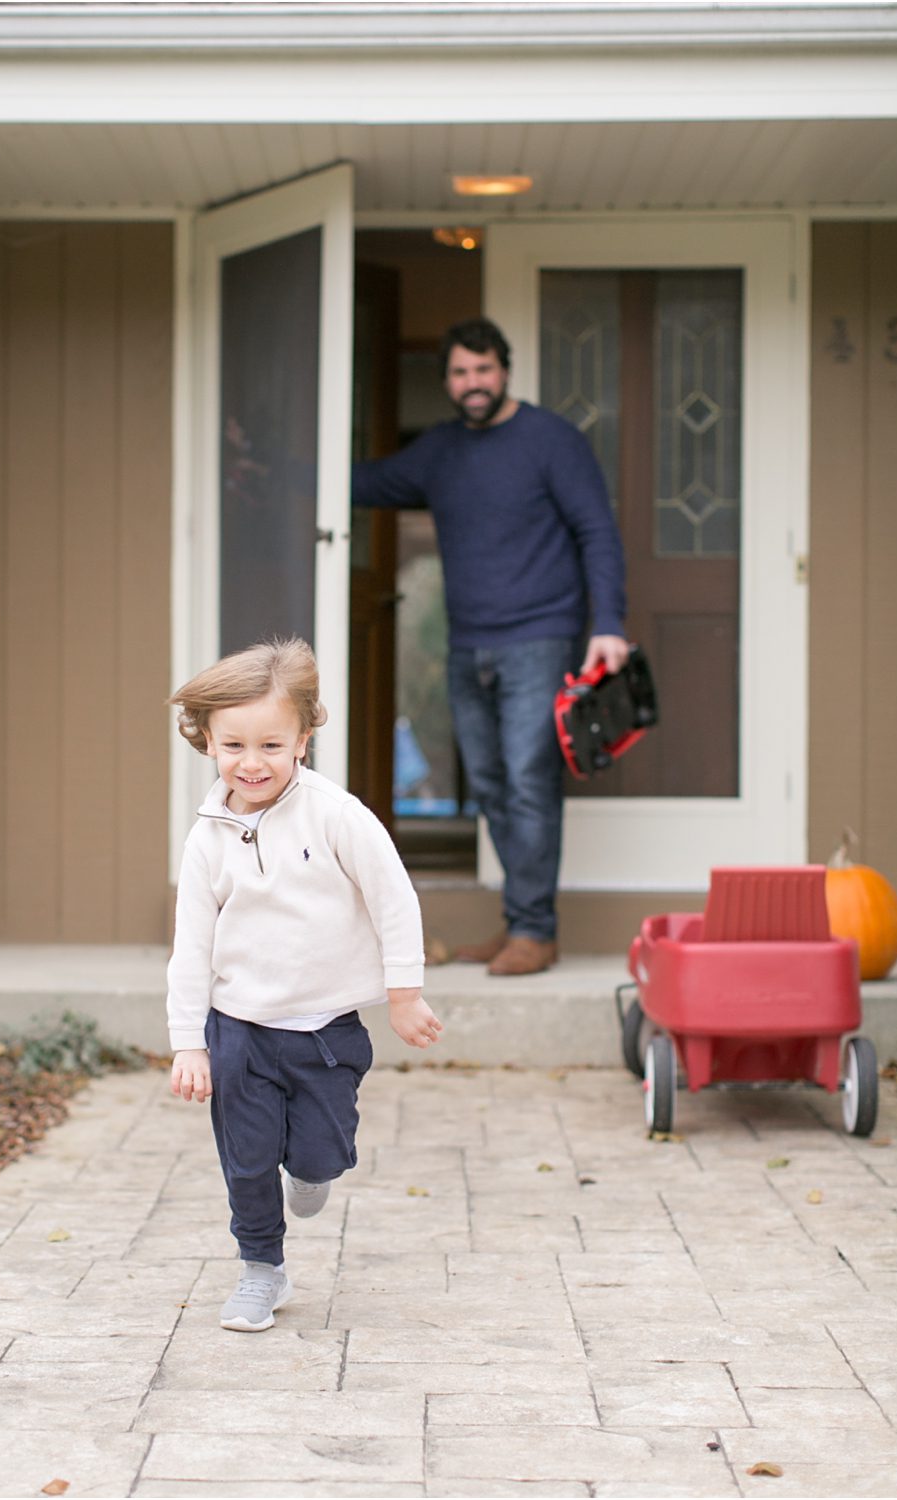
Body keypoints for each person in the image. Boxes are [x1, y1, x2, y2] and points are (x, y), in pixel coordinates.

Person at [165, 639, 441, 1332]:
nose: (251, 763)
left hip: (324, 1031)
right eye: (234, 745)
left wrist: (403, 994)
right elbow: (190, 949)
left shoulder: (336, 816)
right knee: (247, 1159)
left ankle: (313, 1170)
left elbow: (393, 899)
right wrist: (188, 1043)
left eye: (270, 744)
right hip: (238, 1030)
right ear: (208, 744)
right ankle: (261, 1269)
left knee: (318, 1154)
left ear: (304, 740)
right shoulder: (208, 839)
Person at [352, 318, 629, 977]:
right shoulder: (441, 451)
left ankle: (536, 930)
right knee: (495, 787)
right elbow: (368, 484)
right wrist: (276, 472)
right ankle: (521, 925)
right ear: (447, 380)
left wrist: (608, 623)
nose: (471, 383)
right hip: (468, 644)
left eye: (482, 370)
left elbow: (597, 532)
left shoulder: (550, 441)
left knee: (530, 781)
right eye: (458, 373)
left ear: (504, 370)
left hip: (539, 636)